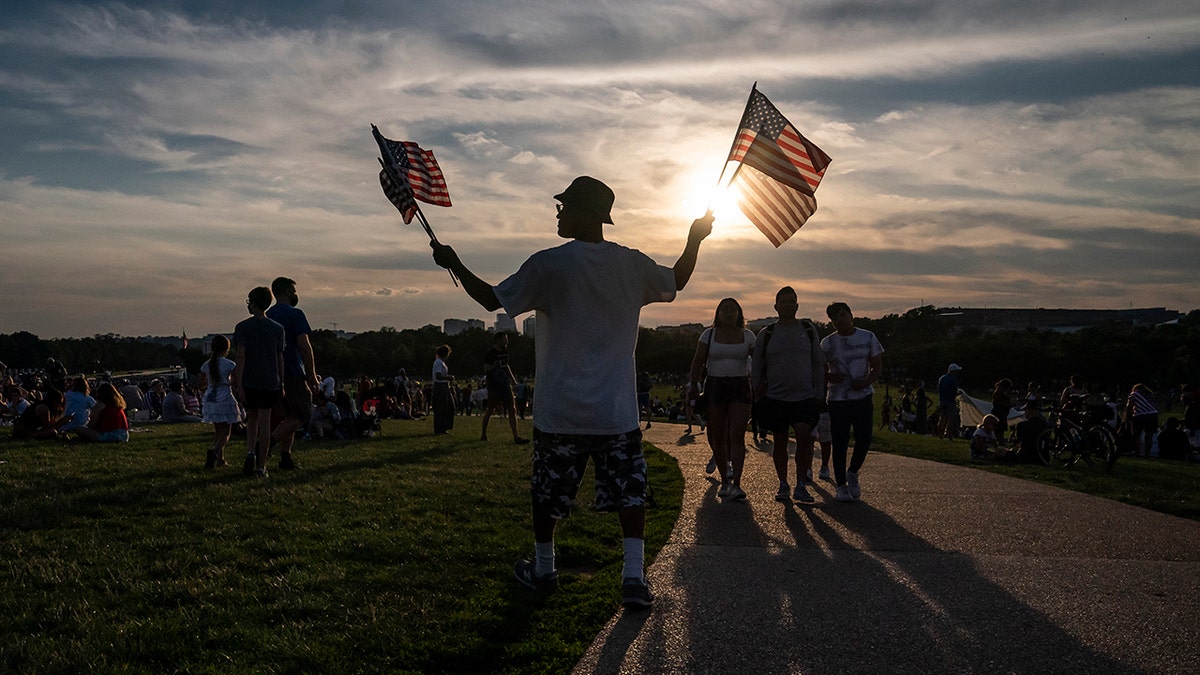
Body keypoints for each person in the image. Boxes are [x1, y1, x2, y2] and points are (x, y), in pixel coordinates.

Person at [431, 174, 711, 608]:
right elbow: (676, 279)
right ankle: (633, 578)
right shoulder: (631, 264)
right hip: (616, 411)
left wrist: (453, 262)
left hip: (559, 410)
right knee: (630, 492)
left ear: (586, 213)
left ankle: (544, 569)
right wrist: (694, 239)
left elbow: (491, 301)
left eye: (564, 206)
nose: (558, 212)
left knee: (548, 493)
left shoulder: (549, 264)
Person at [751, 286, 826, 505]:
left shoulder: (808, 329)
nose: (788, 305)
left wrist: (820, 391)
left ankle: (801, 483)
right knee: (781, 441)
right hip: (775, 396)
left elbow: (818, 362)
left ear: (797, 305)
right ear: (776, 306)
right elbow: (757, 366)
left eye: (791, 301)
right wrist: (757, 392)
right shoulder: (767, 333)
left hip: (804, 395)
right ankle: (783, 483)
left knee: (804, 437)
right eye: (783, 301)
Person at [688, 298, 755, 501]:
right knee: (717, 435)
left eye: (732, 310)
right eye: (724, 310)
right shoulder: (708, 335)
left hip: (739, 385)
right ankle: (724, 481)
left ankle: (737, 483)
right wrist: (693, 385)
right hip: (715, 386)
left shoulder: (748, 336)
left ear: (739, 313)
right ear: (717, 313)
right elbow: (698, 361)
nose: (728, 313)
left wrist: (762, 384)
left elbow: (759, 363)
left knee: (736, 434)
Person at [821, 302, 884, 502]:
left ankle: (853, 471)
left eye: (843, 315)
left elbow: (876, 366)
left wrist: (866, 381)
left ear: (851, 315)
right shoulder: (828, 343)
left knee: (864, 438)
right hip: (838, 399)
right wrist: (830, 377)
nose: (840, 320)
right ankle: (840, 485)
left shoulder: (868, 337)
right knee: (839, 441)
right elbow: (817, 369)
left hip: (862, 396)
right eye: (835, 317)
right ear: (831, 322)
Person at [265, 276, 320, 471]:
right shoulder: (295, 314)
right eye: (293, 290)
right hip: (293, 370)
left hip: (272, 373)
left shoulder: (267, 315)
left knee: (287, 416)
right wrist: (312, 375)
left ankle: (285, 457)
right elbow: (304, 346)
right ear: (287, 291)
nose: (296, 294)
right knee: (301, 413)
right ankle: (266, 445)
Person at [233, 286, 286, 479]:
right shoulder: (278, 329)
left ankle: (250, 451)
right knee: (265, 424)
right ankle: (261, 466)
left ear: (254, 303)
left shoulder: (243, 327)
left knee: (252, 419)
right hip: (270, 381)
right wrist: (282, 383)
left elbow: (240, 357)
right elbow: (280, 358)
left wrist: (239, 384)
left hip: (250, 381)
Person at [200, 335, 242, 469]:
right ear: (226, 349)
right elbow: (235, 382)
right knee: (226, 433)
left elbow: (201, 384)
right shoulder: (230, 364)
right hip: (224, 396)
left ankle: (221, 459)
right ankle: (215, 452)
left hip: (211, 397)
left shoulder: (206, 365)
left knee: (218, 431)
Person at [481, 332, 529, 444]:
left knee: (512, 408)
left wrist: (514, 380)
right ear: (498, 340)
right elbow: (486, 370)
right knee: (490, 409)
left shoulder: (505, 351)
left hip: (505, 384)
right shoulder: (490, 354)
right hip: (494, 385)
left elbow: (506, 366)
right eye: (504, 339)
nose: (506, 341)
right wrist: (494, 366)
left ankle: (516, 437)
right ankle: (483, 433)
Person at [1126, 383, 1159, 458]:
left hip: (1140, 415)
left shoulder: (1134, 394)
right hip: (1153, 415)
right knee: (1149, 435)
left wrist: (1128, 416)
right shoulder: (1150, 394)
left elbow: (1129, 405)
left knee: (1136, 435)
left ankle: (1137, 453)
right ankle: (1146, 454)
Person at [431, 344, 455, 434]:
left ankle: (444, 426)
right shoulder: (438, 362)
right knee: (441, 408)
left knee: (448, 407)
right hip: (440, 386)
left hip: (445, 386)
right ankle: (439, 428)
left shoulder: (441, 362)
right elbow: (438, 375)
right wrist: (448, 377)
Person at [937, 364, 963, 440]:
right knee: (951, 419)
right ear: (953, 371)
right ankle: (949, 435)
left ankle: (940, 435)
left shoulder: (942, 378)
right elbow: (954, 392)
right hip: (950, 401)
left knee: (942, 418)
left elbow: (938, 389)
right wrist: (960, 393)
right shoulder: (953, 380)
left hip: (942, 400)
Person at [991, 378, 1014, 442]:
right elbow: (1003, 404)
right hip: (999, 414)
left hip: (1001, 414)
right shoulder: (999, 393)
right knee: (999, 430)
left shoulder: (999, 392)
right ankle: (1000, 442)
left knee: (1000, 430)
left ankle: (1000, 441)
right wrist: (1012, 404)